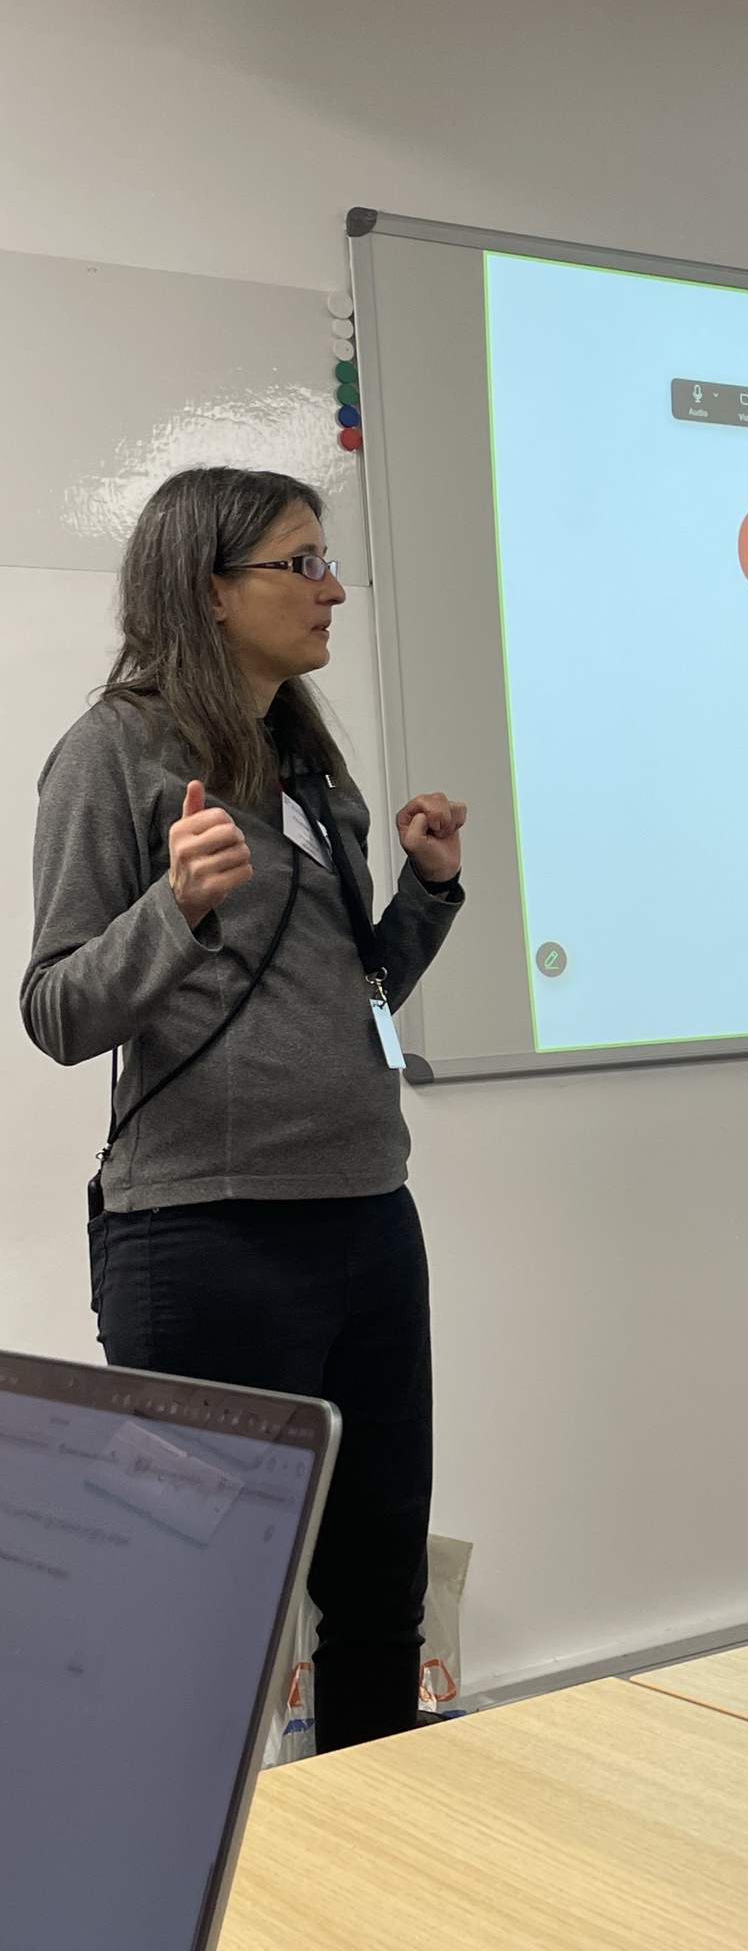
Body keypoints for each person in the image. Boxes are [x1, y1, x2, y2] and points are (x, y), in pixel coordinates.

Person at [21, 466, 466, 1751]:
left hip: (368, 1217)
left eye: (327, 559)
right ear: (209, 589)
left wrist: (427, 895)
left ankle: (378, 1841)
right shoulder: (113, 751)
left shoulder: (306, 760)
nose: (333, 588)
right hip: (206, 1240)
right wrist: (173, 909)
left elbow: (350, 993)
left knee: (378, 1592)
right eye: (300, 562)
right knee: (197, 1616)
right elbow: (55, 1010)